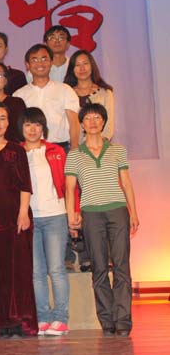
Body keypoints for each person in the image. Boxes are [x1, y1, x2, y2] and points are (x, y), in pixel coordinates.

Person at [64, 104, 140, 337]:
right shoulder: (74, 155)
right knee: (99, 267)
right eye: (88, 118)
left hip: (117, 211)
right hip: (91, 213)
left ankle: (123, 320)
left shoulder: (117, 150)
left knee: (121, 266)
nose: (93, 122)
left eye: (97, 117)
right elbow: (69, 189)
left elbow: (126, 182)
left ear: (104, 121)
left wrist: (133, 212)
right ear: (82, 124)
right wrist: (71, 215)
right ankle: (106, 320)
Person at [0, 102, 37, 337]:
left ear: (8, 122)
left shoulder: (16, 150)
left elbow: (25, 184)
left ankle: (18, 321)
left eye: (2, 118)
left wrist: (23, 212)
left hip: (15, 219)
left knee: (17, 272)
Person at [19, 107, 71, 336]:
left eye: (37, 124)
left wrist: (72, 212)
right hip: (29, 218)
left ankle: (61, 318)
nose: (33, 129)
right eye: (28, 124)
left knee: (57, 269)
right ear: (21, 128)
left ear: (43, 128)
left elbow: (69, 184)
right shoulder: (16, 152)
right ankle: (42, 317)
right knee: (36, 272)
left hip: (55, 215)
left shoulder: (55, 150)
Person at [14, 44, 80, 151]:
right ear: (27, 65)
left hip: (61, 149)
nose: (40, 63)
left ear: (51, 62)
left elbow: (74, 122)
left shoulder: (65, 90)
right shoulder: (19, 95)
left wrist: (74, 149)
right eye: (35, 60)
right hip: (29, 150)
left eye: (44, 59)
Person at [64, 50, 115, 140]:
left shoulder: (105, 93)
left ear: (92, 66)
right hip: (72, 145)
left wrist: (99, 144)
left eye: (85, 63)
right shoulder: (66, 93)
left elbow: (109, 125)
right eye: (77, 65)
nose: (82, 68)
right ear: (72, 69)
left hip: (100, 145)